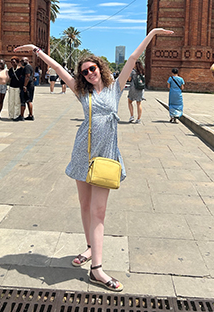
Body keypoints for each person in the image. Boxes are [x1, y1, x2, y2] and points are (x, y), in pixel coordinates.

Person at [14, 27, 173, 292]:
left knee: (99, 211)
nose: (89, 73)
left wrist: (153, 33)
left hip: (107, 154)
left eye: (93, 68)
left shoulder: (116, 88)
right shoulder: (81, 92)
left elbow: (133, 58)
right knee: (85, 205)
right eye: (85, 71)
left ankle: (97, 269)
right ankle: (90, 248)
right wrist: (36, 50)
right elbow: (58, 68)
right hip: (82, 153)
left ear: (101, 68)